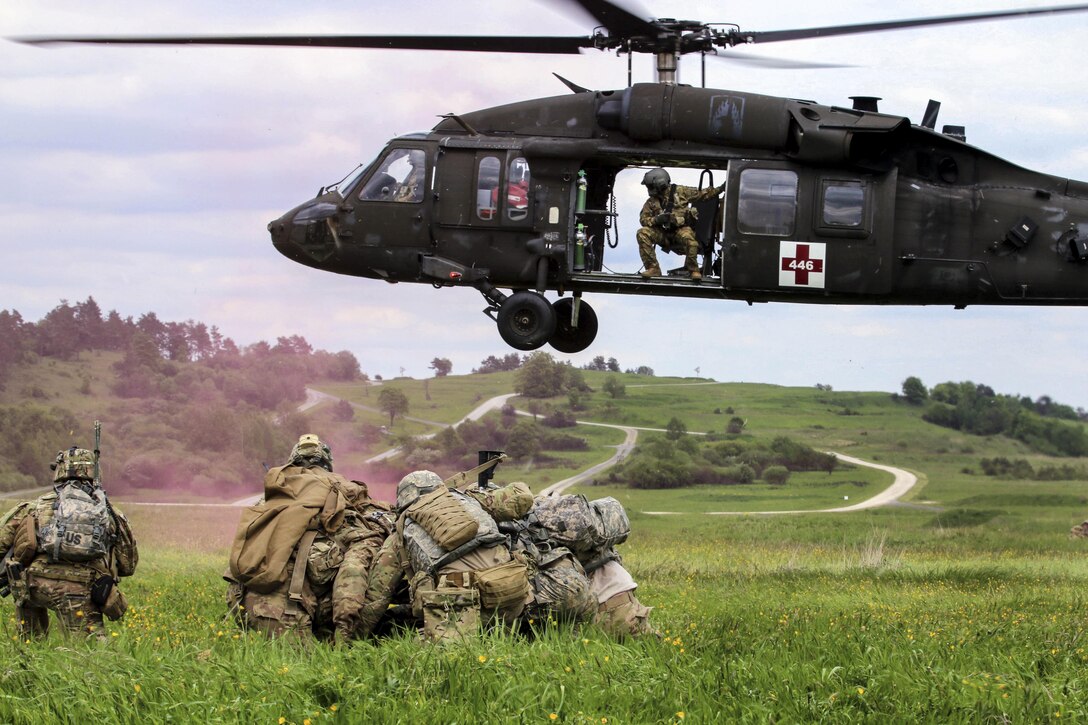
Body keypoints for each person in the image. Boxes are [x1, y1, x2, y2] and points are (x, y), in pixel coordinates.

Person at [226, 434, 392, 643]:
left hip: (254, 605)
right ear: (326, 463)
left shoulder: (269, 501)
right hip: (298, 607)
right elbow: (353, 570)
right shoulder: (339, 487)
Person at [355, 469, 533, 643]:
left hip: (460, 609)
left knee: (417, 649)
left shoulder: (401, 530)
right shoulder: (472, 502)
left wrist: (354, 638)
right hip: (511, 593)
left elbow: (377, 596)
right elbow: (522, 497)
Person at [0, 445, 138, 639]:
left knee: (30, 651)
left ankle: (30, 657)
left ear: (59, 471)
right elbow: (128, 566)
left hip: (32, 587)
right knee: (89, 660)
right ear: (95, 474)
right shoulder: (108, 512)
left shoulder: (32, 507)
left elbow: (1, 544)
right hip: (82, 590)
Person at [636, 167, 725, 281]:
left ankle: (693, 269)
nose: (649, 189)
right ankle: (653, 268)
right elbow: (643, 219)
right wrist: (656, 220)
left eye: (650, 186)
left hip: (680, 230)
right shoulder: (652, 201)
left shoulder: (681, 192)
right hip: (663, 233)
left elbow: (702, 194)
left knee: (691, 242)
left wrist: (721, 189)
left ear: (659, 184)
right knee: (642, 233)